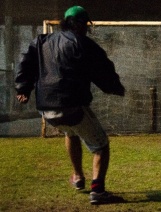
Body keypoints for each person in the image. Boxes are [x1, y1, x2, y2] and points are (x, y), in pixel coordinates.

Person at [15, 6, 125, 204]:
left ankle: (77, 176)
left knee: (70, 132)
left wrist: (23, 88)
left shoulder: (41, 41)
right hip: (72, 105)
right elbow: (102, 69)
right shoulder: (83, 44)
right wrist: (115, 87)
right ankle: (98, 191)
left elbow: (25, 62)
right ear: (82, 25)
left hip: (45, 109)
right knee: (101, 146)